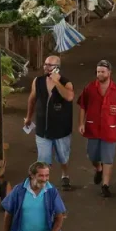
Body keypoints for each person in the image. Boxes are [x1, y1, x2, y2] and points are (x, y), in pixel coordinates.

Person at [77, 60, 116, 198]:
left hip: (109, 130)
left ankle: (105, 185)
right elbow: (83, 106)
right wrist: (81, 123)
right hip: (92, 128)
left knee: (108, 158)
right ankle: (98, 168)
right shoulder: (90, 88)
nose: (100, 74)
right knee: (92, 155)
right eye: (98, 71)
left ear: (109, 73)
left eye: (102, 72)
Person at [24, 57, 76, 190]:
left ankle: (65, 174)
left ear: (57, 67)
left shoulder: (66, 82)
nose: (46, 67)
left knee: (63, 157)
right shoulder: (38, 81)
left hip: (61, 129)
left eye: (50, 65)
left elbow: (69, 97)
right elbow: (32, 99)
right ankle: (43, 184)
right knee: (43, 160)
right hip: (42, 129)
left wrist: (56, 82)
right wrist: (28, 117)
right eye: (45, 64)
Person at [1, 162, 67, 231]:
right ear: (31, 175)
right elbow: (8, 213)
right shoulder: (18, 191)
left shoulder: (51, 192)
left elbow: (60, 216)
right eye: (41, 175)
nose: (44, 179)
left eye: (47, 175)